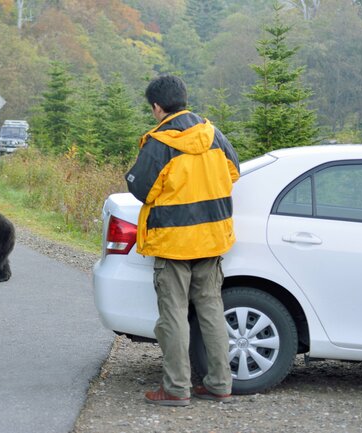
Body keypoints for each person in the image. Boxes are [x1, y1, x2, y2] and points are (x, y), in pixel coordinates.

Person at [124, 74, 240, 406]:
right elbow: (233, 172)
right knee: (211, 309)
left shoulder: (159, 142)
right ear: (184, 99)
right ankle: (219, 384)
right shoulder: (213, 133)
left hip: (173, 243)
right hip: (212, 238)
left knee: (173, 313)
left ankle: (176, 389)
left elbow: (141, 189)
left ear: (157, 107)